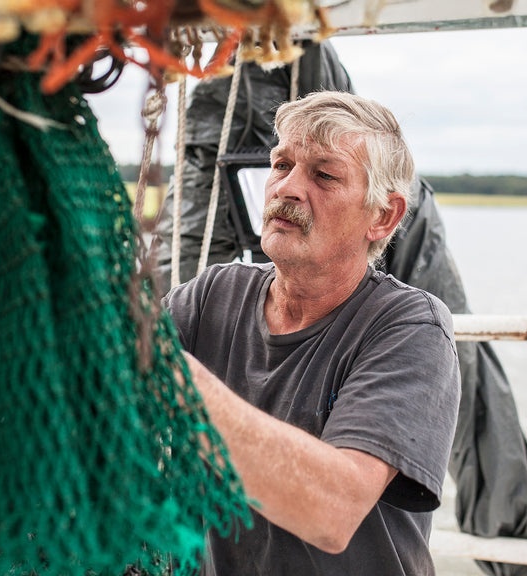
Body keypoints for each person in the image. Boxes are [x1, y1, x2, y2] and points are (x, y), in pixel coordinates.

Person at [164, 91, 462, 575]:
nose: (288, 188)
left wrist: (165, 375)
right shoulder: (212, 293)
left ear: (383, 216)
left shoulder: (410, 327)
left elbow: (333, 511)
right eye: (281, 165)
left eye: (324, 175)